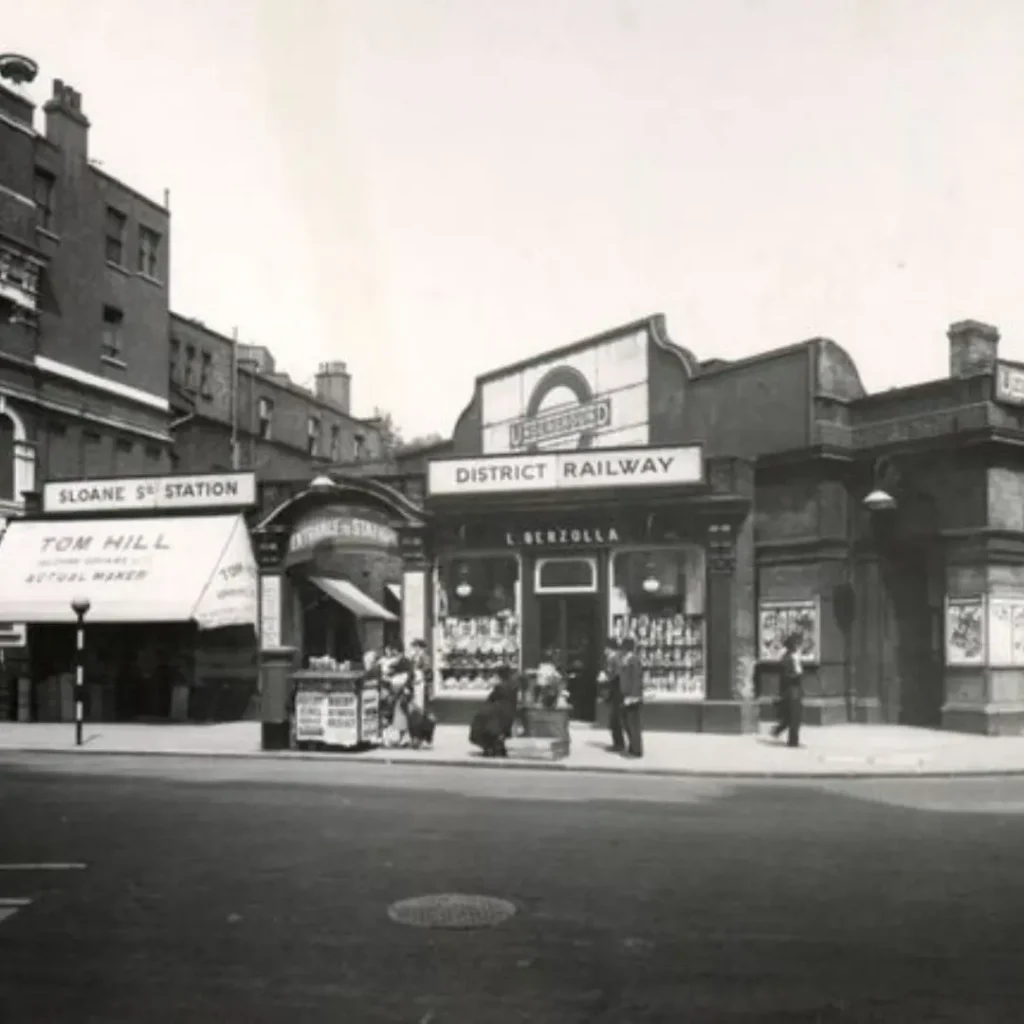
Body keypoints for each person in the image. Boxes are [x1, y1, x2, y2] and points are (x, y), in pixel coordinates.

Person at [469, 668, 519, 757]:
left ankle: (489, 746)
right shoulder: (513, 686)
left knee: (481, 723)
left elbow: (491, 698)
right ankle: (496, 745)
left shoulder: (500, 687)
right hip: (507, 714)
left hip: (497, 715)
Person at [772, 634, 804, 748]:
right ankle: (793, 742)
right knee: (795, 716)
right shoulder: (787, 658)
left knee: (792, 715)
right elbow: (787, 676)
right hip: (791, 690)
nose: (798, 647)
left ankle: (779, 730)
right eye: (796, 644)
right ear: (791, 646)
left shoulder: (794, 657)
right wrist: (797, 673)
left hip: (795, 689)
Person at [618, 637, 644, 758]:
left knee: (633, 724)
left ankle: (636, 750)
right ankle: (632, 746)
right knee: (626, 723)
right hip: (626, 695)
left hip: (632, 697)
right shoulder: (626, 660)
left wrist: (633, 696)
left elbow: (636, 680)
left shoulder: (634, 660)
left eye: (622, 648)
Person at [599, 637, 624, 752]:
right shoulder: (614, 658)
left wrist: (606, 677)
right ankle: (617, 743)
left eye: (606, 648)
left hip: (617, 692)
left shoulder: (615, 658)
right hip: (616, 691)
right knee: (613, 719)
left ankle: (619, 744)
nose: (604, 651)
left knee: (615, 719)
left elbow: (616, 675)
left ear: (610, 648)